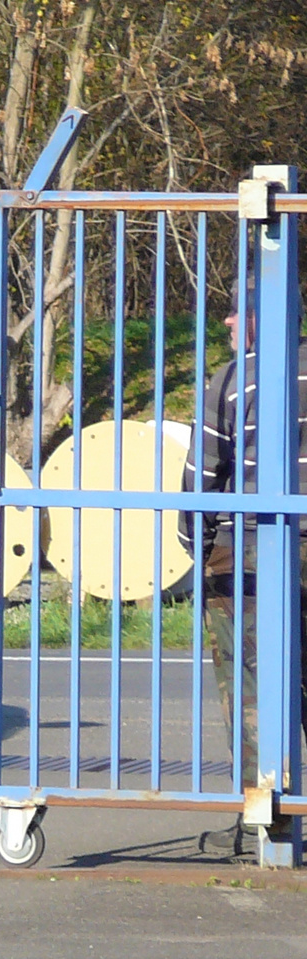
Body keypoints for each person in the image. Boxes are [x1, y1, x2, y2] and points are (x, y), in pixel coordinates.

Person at [179, 293, 307, 857]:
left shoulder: (234, 379)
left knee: (251, 689)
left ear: (260, 317)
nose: (228, 322)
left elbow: (202, 477)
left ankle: (263, 819)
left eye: (237, 311)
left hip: (247, 552)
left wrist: (198, 550)